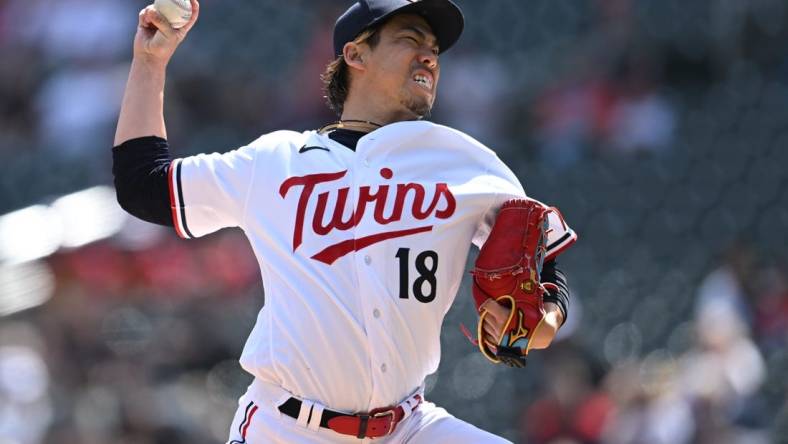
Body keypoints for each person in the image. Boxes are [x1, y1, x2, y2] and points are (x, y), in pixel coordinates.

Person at [112, 0, 576, 442]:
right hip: (285, 428)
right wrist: (150, 63)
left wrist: (541, 320)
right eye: (411, 39)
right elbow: (143, 185)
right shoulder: (276, 161)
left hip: (407, 427)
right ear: (355, 53)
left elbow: (542, 268)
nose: (429, 57)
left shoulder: (467, 163)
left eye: (434, 50)